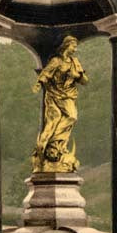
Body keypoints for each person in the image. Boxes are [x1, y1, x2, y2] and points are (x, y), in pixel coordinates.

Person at [31, 35, 88, 173]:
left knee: (72, 117)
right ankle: (47, 147)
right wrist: (38, 84)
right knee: (53, 121)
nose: (75, 49)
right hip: (54, 95)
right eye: (73, 46)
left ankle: (55, 143)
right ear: (66, 46)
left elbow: (85, 81)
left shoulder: (75, 62)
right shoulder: (56, 61)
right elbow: (45, 73)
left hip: (68, 95)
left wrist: (79, 76)